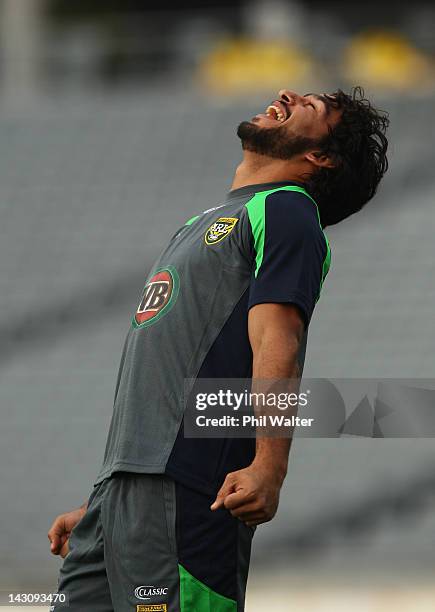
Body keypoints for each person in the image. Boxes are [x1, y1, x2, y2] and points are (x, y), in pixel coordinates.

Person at [48, 87, 389, 611]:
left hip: (189, 495)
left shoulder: (287, 212)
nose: (286, 94)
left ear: (319, 157)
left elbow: (279, 340)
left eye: (310, 106)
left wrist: (268, 466)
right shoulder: (198, 224)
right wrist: (106, 502)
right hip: (122, 502)